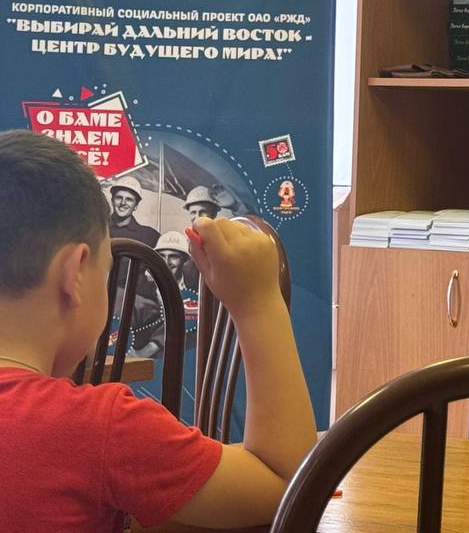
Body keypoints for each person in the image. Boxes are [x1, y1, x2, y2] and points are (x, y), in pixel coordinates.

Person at [0, 130, 316, 531]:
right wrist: (259, 304)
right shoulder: (99, 430)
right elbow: (291, 484)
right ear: (75, 273)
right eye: (105, 273)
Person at [107, 175, 158, 247]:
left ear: (136, 205)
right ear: (112, 200)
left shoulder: (150, 236)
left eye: (129, 199)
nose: (123, 203)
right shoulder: (98, 230)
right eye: (119, 197)